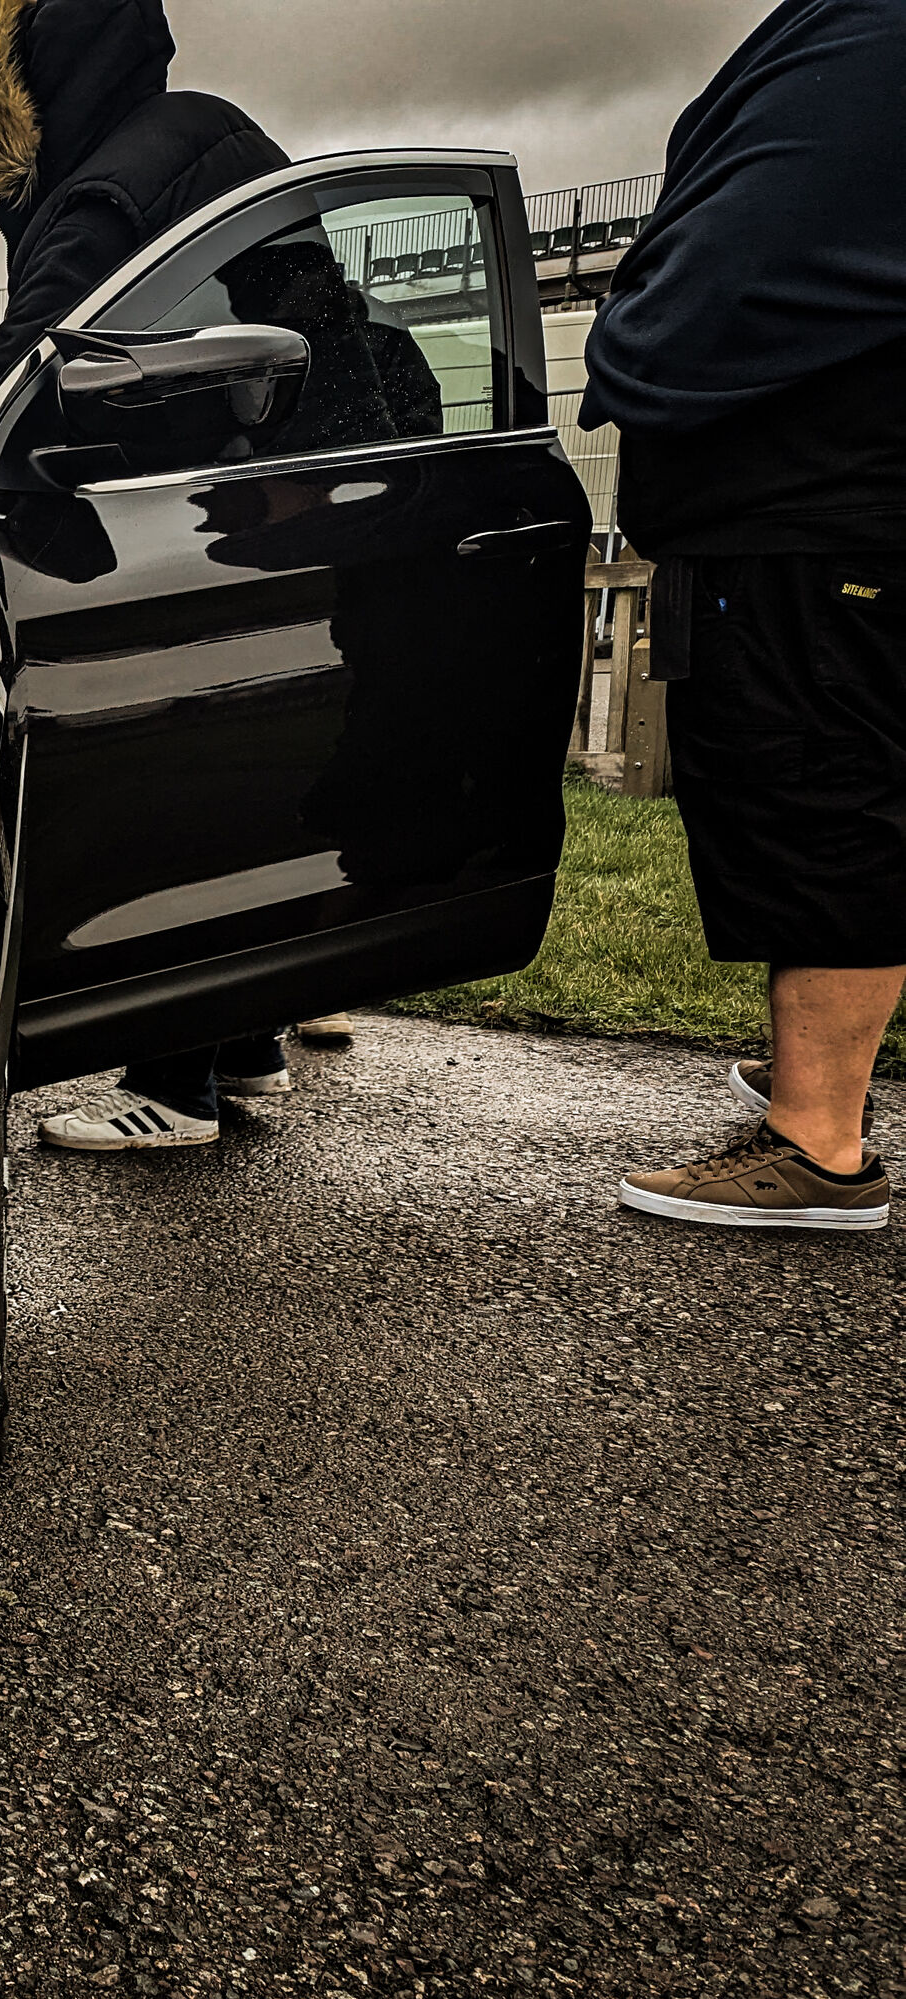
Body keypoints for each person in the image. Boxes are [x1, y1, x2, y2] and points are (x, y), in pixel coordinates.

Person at [0, 0, 345, 1148]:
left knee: (173, 780)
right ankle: (243, 1041)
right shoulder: (197, 135)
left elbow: (31, 366)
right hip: (283, 499)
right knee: (243, 767)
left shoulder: (102, 192)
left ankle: (174, 1089)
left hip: (192, 515)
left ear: (31, 80)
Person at [585, 0, 904, 1231]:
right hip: (794, 519)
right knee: (793, 788)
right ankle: (815, 1081)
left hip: (818, 520)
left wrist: (634, 337)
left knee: (820, 791)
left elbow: (744, 254)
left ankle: (819, 1143)